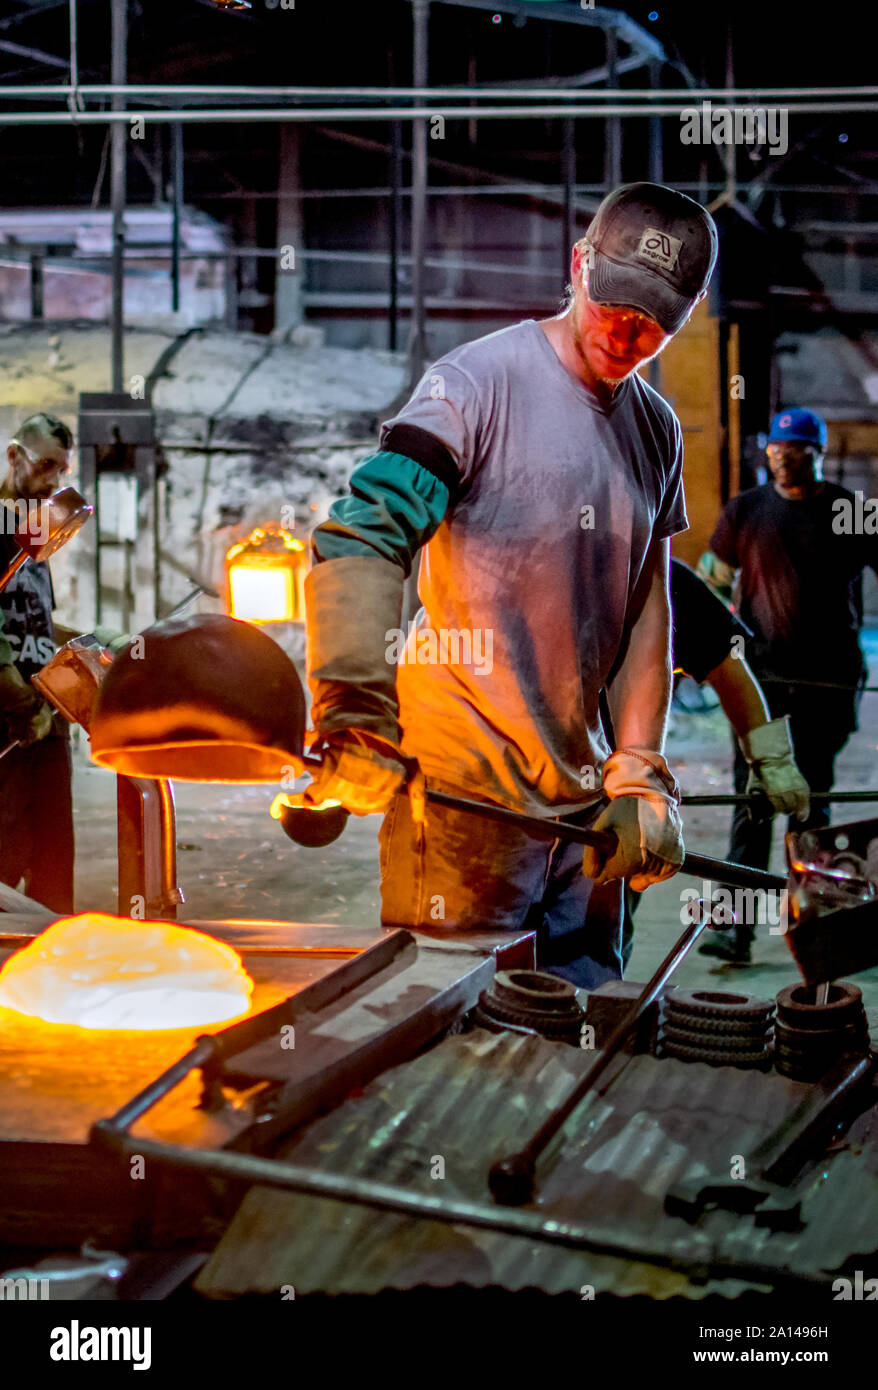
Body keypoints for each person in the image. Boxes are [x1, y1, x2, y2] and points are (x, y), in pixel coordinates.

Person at [303, 182, 718, 989]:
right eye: (614, 305)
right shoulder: (474, 385)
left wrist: (639, 764)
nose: (628, 333)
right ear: (578, 265)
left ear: (690, 314)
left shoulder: (657, 430)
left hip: (586, 800)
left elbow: (645, 611)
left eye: (656, 320)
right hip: (464, 795)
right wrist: (354, 713)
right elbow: (363, 534)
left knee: (575, 1030)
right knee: (453, 1030)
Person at [698, 406, 878, 959]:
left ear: (817, 453)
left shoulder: (850, 511)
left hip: (828, 682)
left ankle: (814, 927)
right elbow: (710, 582)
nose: (782, 459)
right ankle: (735, 927)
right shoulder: (746, 512)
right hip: (761, 680)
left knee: (811, 804)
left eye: (795, 450)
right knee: (752, 802)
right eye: (776, 450)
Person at [619, 558, 810, 968]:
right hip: (520, 794)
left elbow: (727, 665)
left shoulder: (656, 572)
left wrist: (771, 761)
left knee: (595, 944)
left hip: (620, 790)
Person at [0, 414, 75, 912]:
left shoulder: (35, 540)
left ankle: (52, 971)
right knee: (4, 860)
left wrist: (105, 641)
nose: (52, 482)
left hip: (44, 725)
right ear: (14, 456)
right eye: (46, 465)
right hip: (8, 724)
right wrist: (17, 694)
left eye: (61, 471)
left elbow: (35, 626)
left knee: (53, 861)